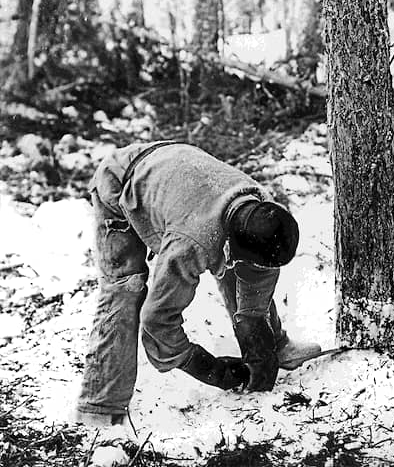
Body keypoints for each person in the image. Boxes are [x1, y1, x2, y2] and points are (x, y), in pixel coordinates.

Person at [74, 141, 320, 427]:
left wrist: (259, 336)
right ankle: (99, 404)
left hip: (180, 177)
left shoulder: (262, 209)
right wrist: (203, 365)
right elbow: (157, 319)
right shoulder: (191, 243)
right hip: (121, 181)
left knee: (246, 261)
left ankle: (277, 346)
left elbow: (257, 273)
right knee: (126, 287)